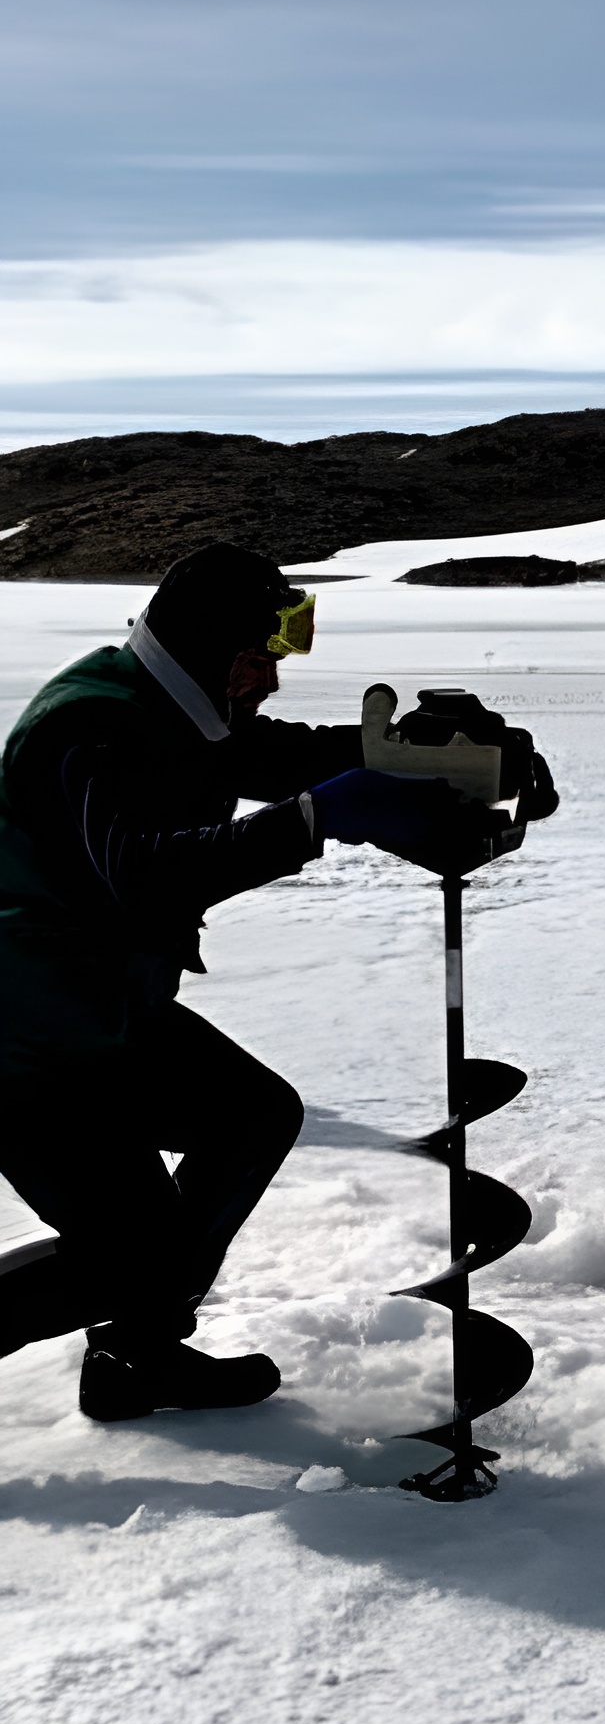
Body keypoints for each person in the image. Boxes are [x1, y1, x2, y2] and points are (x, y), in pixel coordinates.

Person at [0, 542, 531, 1420]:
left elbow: (281, 758)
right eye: (256, 660)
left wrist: (445, 761)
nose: (268, 682)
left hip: (98, 1012)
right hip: (21, 1038)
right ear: (203, 648)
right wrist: (323, 819)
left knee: (247, 1116)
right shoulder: (86, 727)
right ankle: (139, 1322)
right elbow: (141, 873)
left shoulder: (184, 714)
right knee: (129, 1256)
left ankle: (140, 1357)